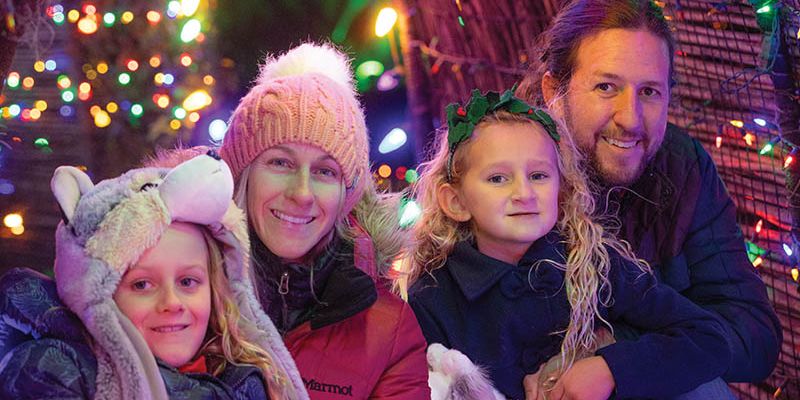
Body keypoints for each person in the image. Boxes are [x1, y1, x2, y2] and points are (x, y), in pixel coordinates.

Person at [519, 0, 782, 388]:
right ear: (554, 90)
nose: (630, 118)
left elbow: (754, 334)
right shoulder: (507, 173)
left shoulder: (682, 166)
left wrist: (619, 360)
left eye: (649, 91)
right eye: (606, 87)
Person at [406, 87, 731, 399]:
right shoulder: (432, 299)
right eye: (498, 178)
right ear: (456, 202)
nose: (524, 193)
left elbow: (709, 337)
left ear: (561, 189)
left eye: (538, 176)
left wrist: (609, 369)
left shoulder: (593, 264)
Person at [0, 152, 307, 399]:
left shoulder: (250, 377)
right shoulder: (53, 372)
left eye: (188, 282)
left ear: (216, 289)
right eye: (142, 285)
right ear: (101, 293)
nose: (172, 303)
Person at [218, 42, 430, 399]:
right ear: (243, 175)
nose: (302, 193)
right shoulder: (185, 296)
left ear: (347, 194)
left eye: (325, 171)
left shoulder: (389, 331)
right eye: (280, 163)